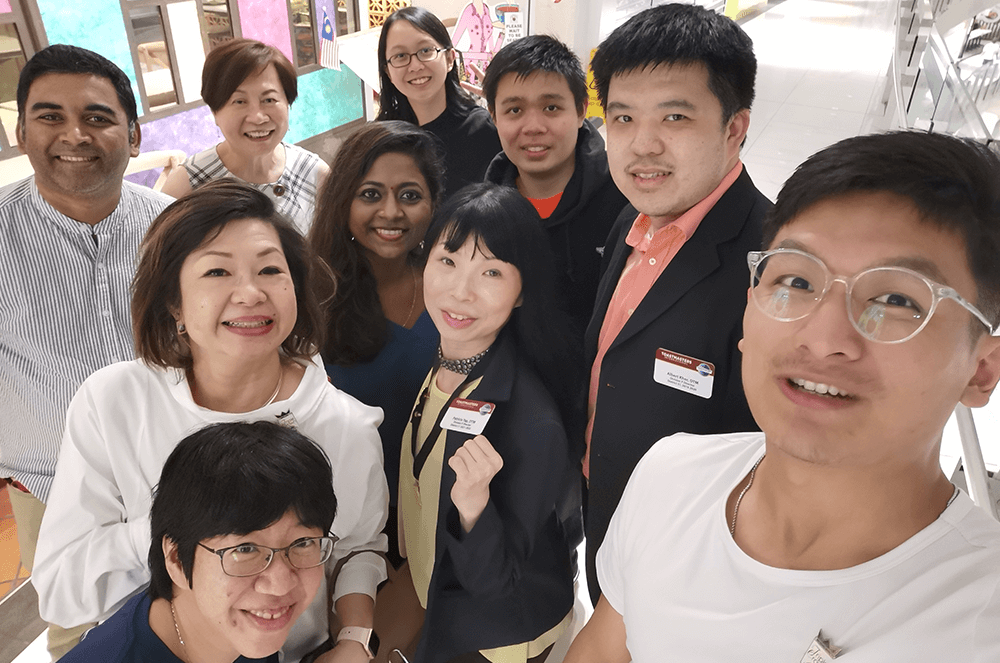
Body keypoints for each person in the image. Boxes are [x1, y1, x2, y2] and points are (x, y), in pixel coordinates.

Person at [565, 131, 1000, 661]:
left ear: (982, 369)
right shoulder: (670, 473)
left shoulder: (974, 623)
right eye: (795, 281)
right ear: (747, 312)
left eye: (895, 298)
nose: (823, 337)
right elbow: (604, 649)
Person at [34, 180, 387, 663]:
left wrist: (354, 639)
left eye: (269, 269)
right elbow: (61, 587)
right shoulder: (115, 402)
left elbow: (359, 547)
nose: (250, 292)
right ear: (174, 304)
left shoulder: (343, 424)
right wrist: (191, 524)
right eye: (218, 271)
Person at [582, 3, 771, 603]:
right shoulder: (633, 223)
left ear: (735, 128)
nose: (643, 145)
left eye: (675, 116)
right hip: (608, 512)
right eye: (623, 117)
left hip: (693, 563)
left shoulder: (773, 267)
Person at [0, 43, 172, 657]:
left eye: (98, 117)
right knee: (82, 642)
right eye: (49, 116)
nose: (74, 134)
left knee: (194, 629)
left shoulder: (175, 231)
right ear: (21, 131)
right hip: (52, 494)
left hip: (175, 485)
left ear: (133, 130)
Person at [396, 183, 582, 663]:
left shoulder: (531, 418)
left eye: (492, 272)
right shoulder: (447, 357)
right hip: (443, 600)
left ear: (522, 294)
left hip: (497, 636)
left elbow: (499, 585)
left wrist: (474, 508)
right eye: (448, 261)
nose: (460, 291)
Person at [60, 421, 339, 663]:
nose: (280, 585)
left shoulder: (245, 625)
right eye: (245, 549)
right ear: (177, 559)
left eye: (303, 543)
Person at [310, 120, 445, 565]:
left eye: (410, 195)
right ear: (343, 201)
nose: (391, 212)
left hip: (445, 513)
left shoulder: (456, 285)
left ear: (433, 204)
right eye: (370, 194)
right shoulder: (311, 295)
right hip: (343, 526)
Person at [481, 35, 628, 334]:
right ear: (493, 116)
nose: (534, 127)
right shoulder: (485, 214)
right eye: (514, 111)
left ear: (580, 111)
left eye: (551, 108)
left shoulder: (628, 199)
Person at [161, 38, 329, 234]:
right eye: (239, 101)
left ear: (288, 103)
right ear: (215, 111)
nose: (258, 118)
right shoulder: (187, 187)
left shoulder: (314, 174)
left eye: (269, 99)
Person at [375, 6, 502, 197]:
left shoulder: (485, 130)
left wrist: (511, 111)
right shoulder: (379, 139)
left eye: (426, 50)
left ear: (450, 58)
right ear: (388, 72)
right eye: (400, 56)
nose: (415, 66)